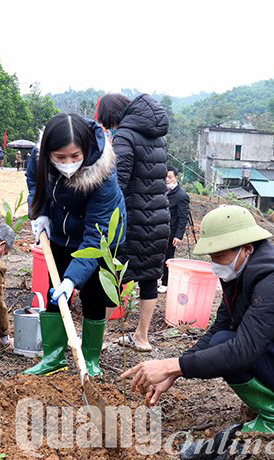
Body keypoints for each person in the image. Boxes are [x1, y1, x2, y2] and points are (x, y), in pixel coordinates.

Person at [121, 205, 274, 460]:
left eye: (219, 256)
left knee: (228, 346)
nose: (215, 264)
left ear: (247, 249)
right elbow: (221, 325)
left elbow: (244, 350)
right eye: (212, 256)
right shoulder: (241, 271)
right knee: (222, 338)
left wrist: (172, 365)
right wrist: (175, 371)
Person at [24, 113, 126, 377]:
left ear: (86, 150)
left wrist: (71, 281)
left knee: (93, 295)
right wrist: (41, 213)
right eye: (59, 157)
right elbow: (35, 182)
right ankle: (54, 356)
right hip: (61, 232)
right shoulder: (39, 156)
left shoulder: (104, 175)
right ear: (48, 152)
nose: (67, 164)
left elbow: (95, 236)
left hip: (99, 237)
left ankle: (90, 359)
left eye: (74, 156)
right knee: (53, 291)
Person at [97, 93, 170, 352]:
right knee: (149, 278)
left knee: (112, 275)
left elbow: (119, 182)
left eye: (107, 122)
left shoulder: (125, 135)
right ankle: (142, 337)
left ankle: (96, 338)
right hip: (159, 217)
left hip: (133, 220)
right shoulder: (158, 135)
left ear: (112, 116)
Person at [159, 165, 190, 294]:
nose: (167, 179)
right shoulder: (161, 191)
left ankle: (165, 282)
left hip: (171, 233)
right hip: (159, 230)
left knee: (168, 257)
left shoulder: (181, 195)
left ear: (176, 178)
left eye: (170, 177)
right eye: (165, 177)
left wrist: (179, 235)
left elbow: (183, 218)